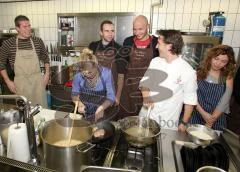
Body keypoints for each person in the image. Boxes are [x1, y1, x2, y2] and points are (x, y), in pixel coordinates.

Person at [139, 29, 197, 132]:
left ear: (169, 46)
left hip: (166, 123)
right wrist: (146, 97)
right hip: (146, 116)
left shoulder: (187, 71)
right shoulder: (155, 61)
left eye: (159, 43)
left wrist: (183, 123)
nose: (156, 46)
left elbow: (190, 100)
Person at [0, 15, 49, 107]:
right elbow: (1, 63)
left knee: (41, 110)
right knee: (24, 112)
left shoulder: (37, 41)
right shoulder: (8, 43)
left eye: (29, 26)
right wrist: (7, 81)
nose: (28, 29)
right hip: (21, 83)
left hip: (37, 82)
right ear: (17, 28)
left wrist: (47, 74)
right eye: (24, 27)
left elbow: (45, 57)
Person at [119, 15, 159, 118]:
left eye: (140, 29)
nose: (137, 33)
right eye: (134, 29)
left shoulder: (156, 42)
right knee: (126, 118)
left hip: (148, 88)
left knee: (144, 120)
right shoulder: (128, 41)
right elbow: (122, 66)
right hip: (129, 87)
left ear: (148, 26)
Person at [189, 45, 236, 131]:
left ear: (228, 63)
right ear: (210, 57)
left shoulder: (227, 77)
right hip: (197, 114)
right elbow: (192, 94)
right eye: (216, 59)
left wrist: (210, 121)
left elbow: (225, 100)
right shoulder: (199, 72)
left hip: (217, 118)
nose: (218, 64)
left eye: (223, 61)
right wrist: (203, 114)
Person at [88, 20, 124, 119]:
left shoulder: (119, 48)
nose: (110, 34)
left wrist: (118, 95)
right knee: (93, 120)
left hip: (110, 92)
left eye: (112, 31)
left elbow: (121, 74)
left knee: (107, 122)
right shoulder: (93, 46)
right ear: (101, 32)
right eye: (107, 31)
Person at [71, 48, 115, 122]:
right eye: (83, 73)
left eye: (90, 72)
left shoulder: (106, 74)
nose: (86, 75)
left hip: (102, 109)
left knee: (99, 130)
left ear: (96, 66)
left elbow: (111, 97)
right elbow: (74, 94)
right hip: (84, 112)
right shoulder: (78, 76)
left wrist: (101, 108)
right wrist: (79, 103)